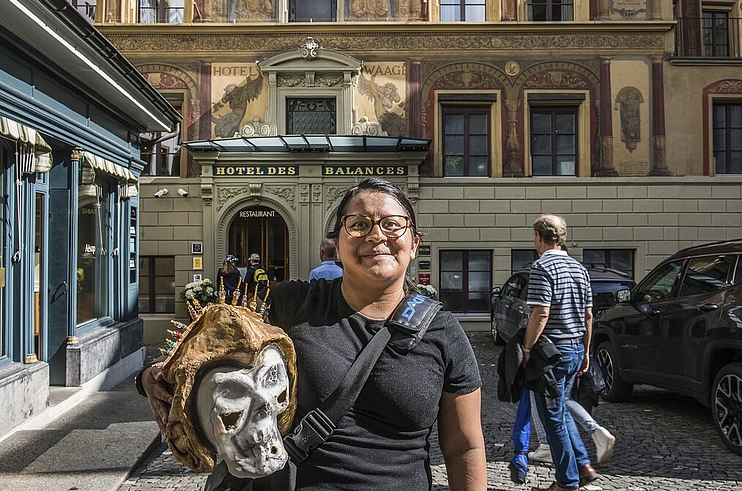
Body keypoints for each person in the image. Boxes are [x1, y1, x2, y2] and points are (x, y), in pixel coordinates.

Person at [138, 176, 487, 490]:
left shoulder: (442, 331)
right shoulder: (290, 304)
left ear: (413, 245)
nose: (376, 235)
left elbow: (464, 447)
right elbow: (202, 341)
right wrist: (150, 377)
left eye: (392, 225)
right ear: (337, 243)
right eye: (359, 224)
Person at [521, 214, 597, 491]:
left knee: (552, 418)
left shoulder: (542, 267)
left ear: (539, 238)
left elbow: (541, 312)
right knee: (562, 410)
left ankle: (567, 483)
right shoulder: (579, 268)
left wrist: (527, 348)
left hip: (552, 354)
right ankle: (584, 466)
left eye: (534, 237)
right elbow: (589, 315)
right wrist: (586, 351)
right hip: (576, 348)